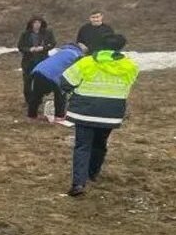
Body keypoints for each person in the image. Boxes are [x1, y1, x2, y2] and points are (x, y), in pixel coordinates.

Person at [60, 33, 139, 196]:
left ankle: (78, 183)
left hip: (84, 112)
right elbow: (128, 84)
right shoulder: (130, 66)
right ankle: (93, 173)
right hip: (110, 113)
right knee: (100, 143)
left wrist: (74, 92)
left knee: (82, 146)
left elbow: (66, 81)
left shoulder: (86, 62)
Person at [16, 15, 60, 122]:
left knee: (40, 82)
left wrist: (43, 48)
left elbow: (53, 43)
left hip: (42, 61)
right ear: (31, 23)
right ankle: (29, 101)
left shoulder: (47, 32)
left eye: (39, 22)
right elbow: (20, 46)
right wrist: (29, 49)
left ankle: (39, 101)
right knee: (27, 81)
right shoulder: (25, 34)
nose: (37, 25)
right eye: (35, 22)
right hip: (29, 61)